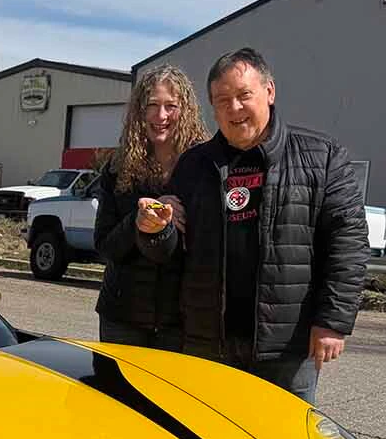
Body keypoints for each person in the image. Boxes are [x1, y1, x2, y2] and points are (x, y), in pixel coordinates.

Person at [140, 48, 369, 404]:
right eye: (222, 100)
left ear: (269, 91)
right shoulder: (194, 165)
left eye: (244, 95)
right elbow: (170, 251)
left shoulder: (321, 158)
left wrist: (333, 322)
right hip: (209, 343)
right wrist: (153, 231)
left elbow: (348, 243)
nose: (234, 109)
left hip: (286, 347)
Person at [91, 64, 208, 350]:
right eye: (152, 105)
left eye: (171, 105)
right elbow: (104, 246)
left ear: (187, 110)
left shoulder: (206, 166)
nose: (161, 116)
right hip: (123, 319)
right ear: (139, 111)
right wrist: (138, 221)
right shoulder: (119, 168)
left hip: (182, 323)